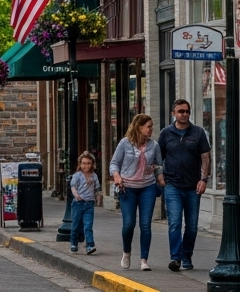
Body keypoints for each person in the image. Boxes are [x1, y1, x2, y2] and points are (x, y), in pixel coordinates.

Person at [158, 99, 212, 272]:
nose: (184, 114)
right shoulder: (166, 133)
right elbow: (158, 158)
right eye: (181, 111)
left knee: (192, 225)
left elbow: (206, 157)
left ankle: (186, 256)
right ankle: (176, 258)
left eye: (187, 111)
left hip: (193, 186)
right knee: (174, 223)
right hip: (172, 185)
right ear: (174, 113)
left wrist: (204, 179)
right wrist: (160, 175)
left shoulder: (198, 133)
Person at [110, 113, 163, 272]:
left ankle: (144, 260)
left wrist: (160, 178)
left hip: (148, 187)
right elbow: (114, 163)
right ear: (139, 127)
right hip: (128, 188)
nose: (151, 129)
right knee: (129, 224)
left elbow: (159, 165)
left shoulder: (154, 145)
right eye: (148, 126)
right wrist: (117, 176)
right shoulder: (125, 143)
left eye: (151, 126)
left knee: (145, 225)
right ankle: (127, 252)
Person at [69, 152, 99, 255]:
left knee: (88, 225)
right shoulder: (77, 175)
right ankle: (74, 242)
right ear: (80, 164)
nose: (86, 166)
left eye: (88, 163)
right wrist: (76, 195)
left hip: (89, 204)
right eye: (83, 163)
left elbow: (96, 189)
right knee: (75, 225)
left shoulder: (94, 176)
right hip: (78, 203)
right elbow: (73, 186)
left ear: (92, 164)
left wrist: (97, 198)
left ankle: (90, 245)